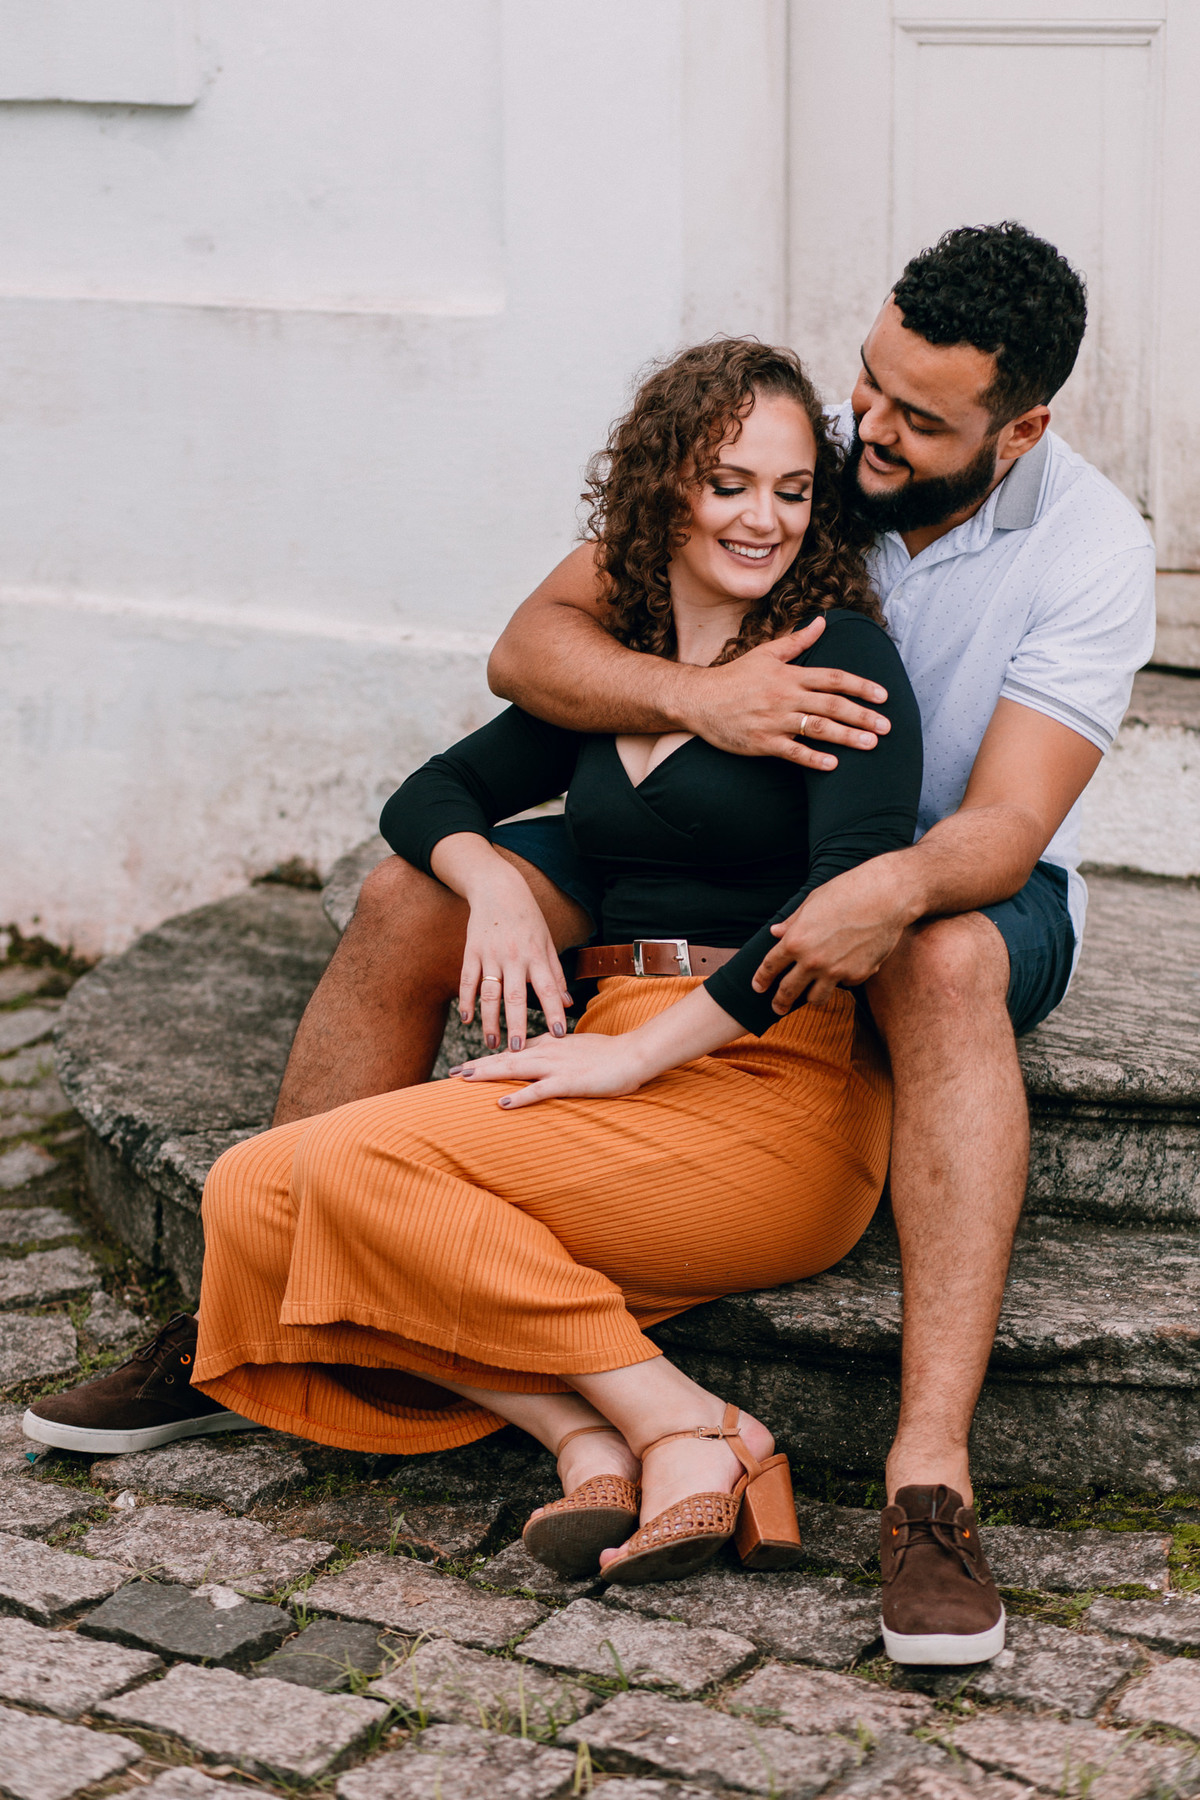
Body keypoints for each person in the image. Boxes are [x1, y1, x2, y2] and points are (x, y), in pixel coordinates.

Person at [253, 222, 1156, 1662]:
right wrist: (705, 708)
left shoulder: (1095, 550)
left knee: (944, 956)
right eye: (872, 383)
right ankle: (258, 1298)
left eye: (922, 419)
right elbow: (533, 650)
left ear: (1023, 425)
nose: (874, 429)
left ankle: (930, 1477)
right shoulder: (799, 467)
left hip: (952, 870)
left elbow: (1002, 826)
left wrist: (884, 889)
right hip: (733, 834)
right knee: (409, 891)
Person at [25, 343, 928, 1601]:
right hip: (615, 1037)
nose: (762, 519)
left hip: (767, 1081)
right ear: (666, 486)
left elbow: (849, 908)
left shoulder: (841, 660)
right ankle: (592, 1436)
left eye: (789, 490)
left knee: (340, 1170)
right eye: (729, 483)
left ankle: (697, 1431)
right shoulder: (626, 660)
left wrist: (636, 1052)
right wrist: (496, 878)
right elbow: (434, 794)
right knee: (252, 1197)